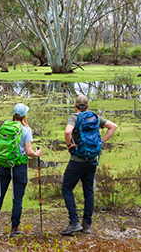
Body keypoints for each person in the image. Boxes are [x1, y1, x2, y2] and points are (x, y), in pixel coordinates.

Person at [61, 95, 118, 236]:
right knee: (88, 191)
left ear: (75, 106)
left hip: (77, 160)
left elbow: (68, 131)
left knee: (66, 188)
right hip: (92, 160)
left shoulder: (74, 117)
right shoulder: (95, 117)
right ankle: (86, 225)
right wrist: (101, 143)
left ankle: (74, 222)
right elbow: (113, 127)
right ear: (87, 106)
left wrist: (69, 145)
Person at [0, 103, 42, 237]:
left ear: (13, 114)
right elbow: (29, 151)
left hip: (4, 165)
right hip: (18, 167)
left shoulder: (4, 127)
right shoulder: (26, 130)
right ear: (24, 115)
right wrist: (37, 154)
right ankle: (14, 229)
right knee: (17, 198)